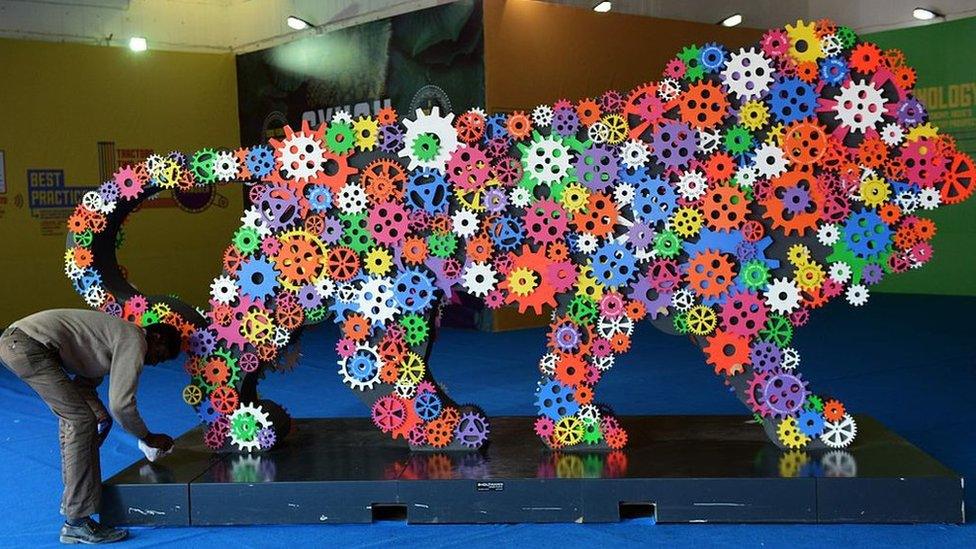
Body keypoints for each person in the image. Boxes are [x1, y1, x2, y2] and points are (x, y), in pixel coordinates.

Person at [0, 309, 182, 544]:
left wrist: (102, 420)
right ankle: (76, 522)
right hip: (27, 345)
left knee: (92, 420)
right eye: (162, 355)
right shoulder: (135, 339)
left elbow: (85, 387)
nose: (156, 363)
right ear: (156, 338)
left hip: (20, 342)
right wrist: (147, 436)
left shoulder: (110, 339)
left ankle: (75, 501)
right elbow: (121, 405)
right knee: (80, 420)